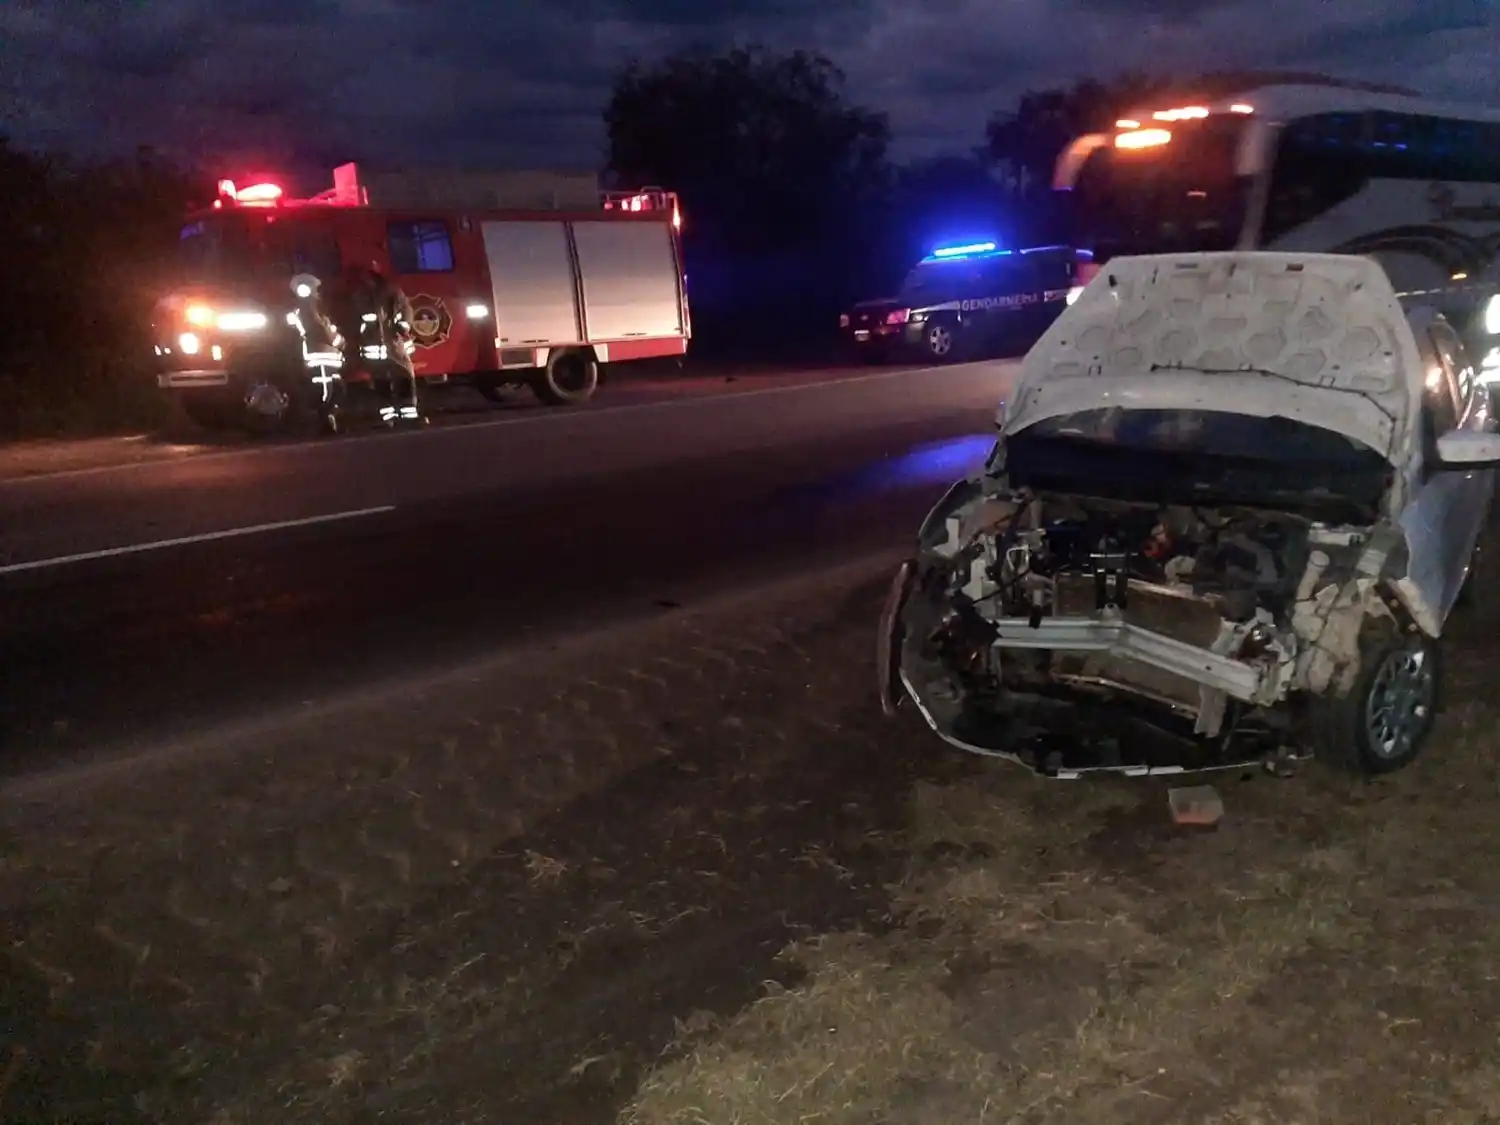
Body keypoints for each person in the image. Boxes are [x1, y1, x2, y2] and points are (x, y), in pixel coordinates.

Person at [321, 262, 426, 427]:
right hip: (380, 347)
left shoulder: (389, 291)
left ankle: (407, 416)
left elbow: (405, 310)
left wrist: (402, 326)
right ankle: (390, 418)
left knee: (402, 377)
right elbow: (352, 319)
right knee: (385, 382)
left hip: (390, 345)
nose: (366, 279)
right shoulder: (362, 294)